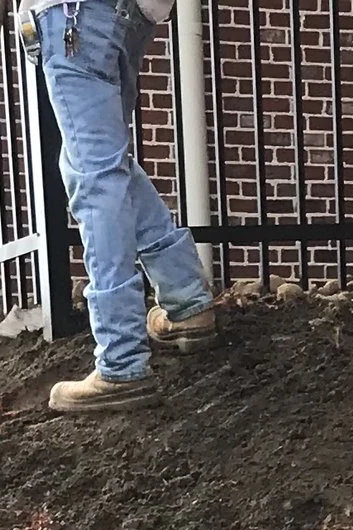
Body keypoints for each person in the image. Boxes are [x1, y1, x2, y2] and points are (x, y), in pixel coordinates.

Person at [28, 0, 216, 414]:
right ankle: (186, 301)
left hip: (74, 16)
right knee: (103, 164)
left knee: (95, 179)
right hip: (130, 16)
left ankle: (121, 360)